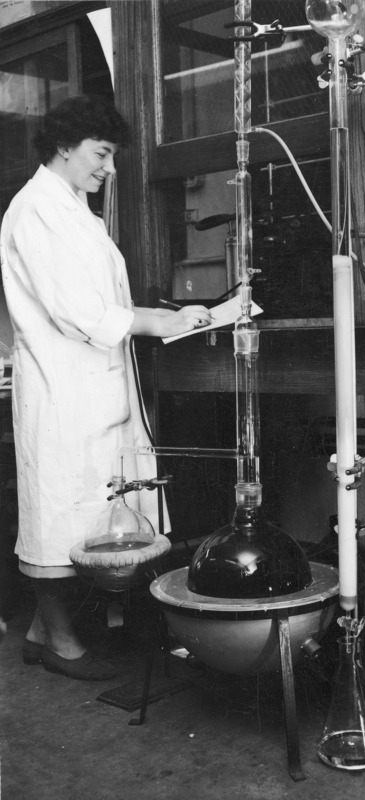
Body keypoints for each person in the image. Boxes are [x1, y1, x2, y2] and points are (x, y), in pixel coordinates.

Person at [0, 94, 212, 680]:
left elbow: (104, 305)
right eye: (101, 154)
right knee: (58, 523)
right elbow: (76, 310)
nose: (109, 169)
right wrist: (157, 321)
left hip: (97, 391)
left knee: (96, 515)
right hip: (61, 393)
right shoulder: (36, 209)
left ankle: (45, 630)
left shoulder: (72, 209)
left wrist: (166, 316)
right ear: (64, 148)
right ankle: (59, 643)